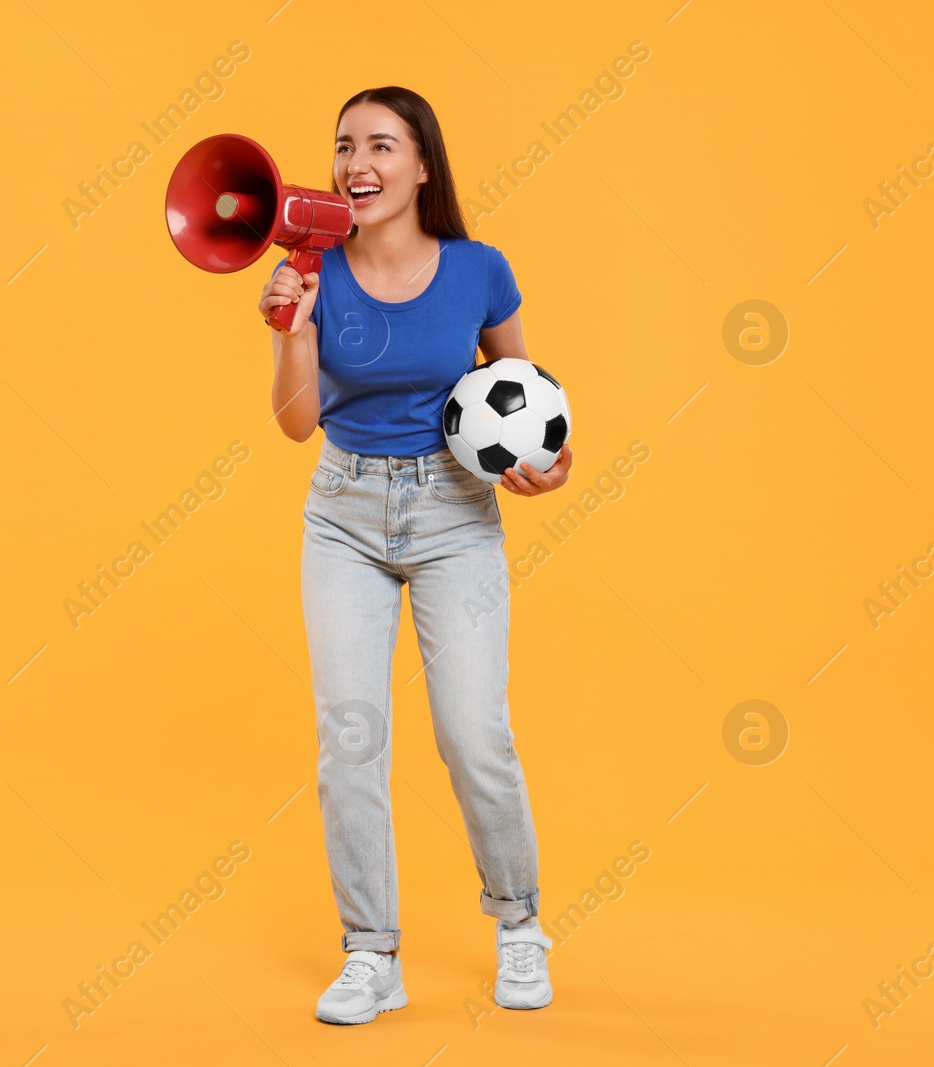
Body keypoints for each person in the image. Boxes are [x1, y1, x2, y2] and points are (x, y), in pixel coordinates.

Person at [258, 86, 574, 1025]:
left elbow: (529, 393)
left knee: (474, 734)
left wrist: (551, 468)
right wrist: (291, 330)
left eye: (382, 146)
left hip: (455, 515)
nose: (359, 163)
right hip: (344, 513)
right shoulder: (312, 270)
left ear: (423, 164)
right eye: (346, 146)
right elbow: (293, 425)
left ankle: (519, 924)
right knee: (348, 744)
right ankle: (371, 954)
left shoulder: (480, 269)